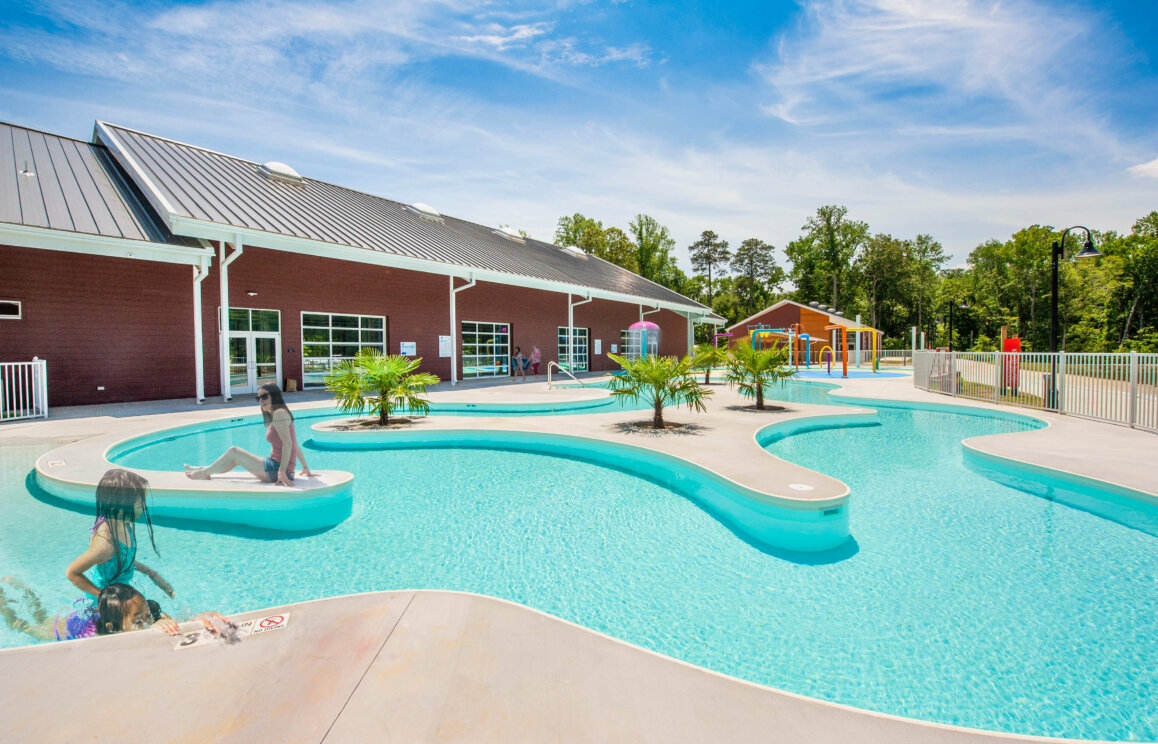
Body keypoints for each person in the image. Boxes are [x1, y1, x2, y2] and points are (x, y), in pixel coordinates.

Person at [0, 579, 230, 641]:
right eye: (139, 620)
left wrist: (199, 619)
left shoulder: (150, 612)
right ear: (114, 628)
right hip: (70, 626)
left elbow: (178, 621)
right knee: (29, 626)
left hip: (105, 614)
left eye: (147, 615)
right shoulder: (99, 635)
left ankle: (29, 595)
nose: (148, 621)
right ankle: (11, 602)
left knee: (40, 618)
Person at [66, 468, 173, 601]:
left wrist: (151, 574)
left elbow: (123, 558)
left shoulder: (122, 523)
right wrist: (105, 599)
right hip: (105, 606)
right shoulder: (104, 545)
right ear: (119, 507)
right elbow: (72, 573)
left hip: (122, 594)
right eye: (140, 505)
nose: (145, 508)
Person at [185, 383, 315, 486]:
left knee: (234, 452)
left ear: (274, 396)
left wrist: (282, 472)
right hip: (276, 467)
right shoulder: (278, 413)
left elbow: (289, 443)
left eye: (264, 396)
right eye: (258, 398)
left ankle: (204, 472)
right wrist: (305, 468)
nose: (261, 400)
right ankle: (206, 469)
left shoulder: (279, 413)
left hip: (276, 470)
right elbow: (295, 444)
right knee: (234, 458)